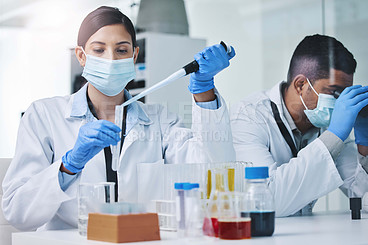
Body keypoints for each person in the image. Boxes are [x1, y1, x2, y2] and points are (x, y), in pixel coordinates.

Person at [2, 6, 235, 231]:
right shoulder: (44, 116)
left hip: (138, 239)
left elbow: (213, 177)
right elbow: (17, 212)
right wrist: (68, 166)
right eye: (99, 50)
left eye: (122, 50)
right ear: (81, 56)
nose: (111, 59)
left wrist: (204, 91)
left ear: (134, 55)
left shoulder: (160, 121)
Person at [231, 34, 368, 217]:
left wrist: (367, 141)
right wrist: (334, 137)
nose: (340, 103)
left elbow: (366, 196)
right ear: (301, 84)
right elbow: (267, 200)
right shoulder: (248, 117)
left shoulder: (327, 123)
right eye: (334, 92)